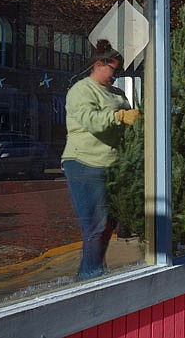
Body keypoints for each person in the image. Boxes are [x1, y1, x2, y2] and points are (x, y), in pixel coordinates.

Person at [62, 39, 140, 280]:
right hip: (84, 164)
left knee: (107, 226)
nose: (116, 76)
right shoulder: (81, 91)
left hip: (113, 166)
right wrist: (119, 116)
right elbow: (91, 121)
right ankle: (90, 277)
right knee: (95, 225)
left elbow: (132, 121)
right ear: (98, 65)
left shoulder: (116, 93)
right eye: (113, 70)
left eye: (119, 71)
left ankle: (94, 274)